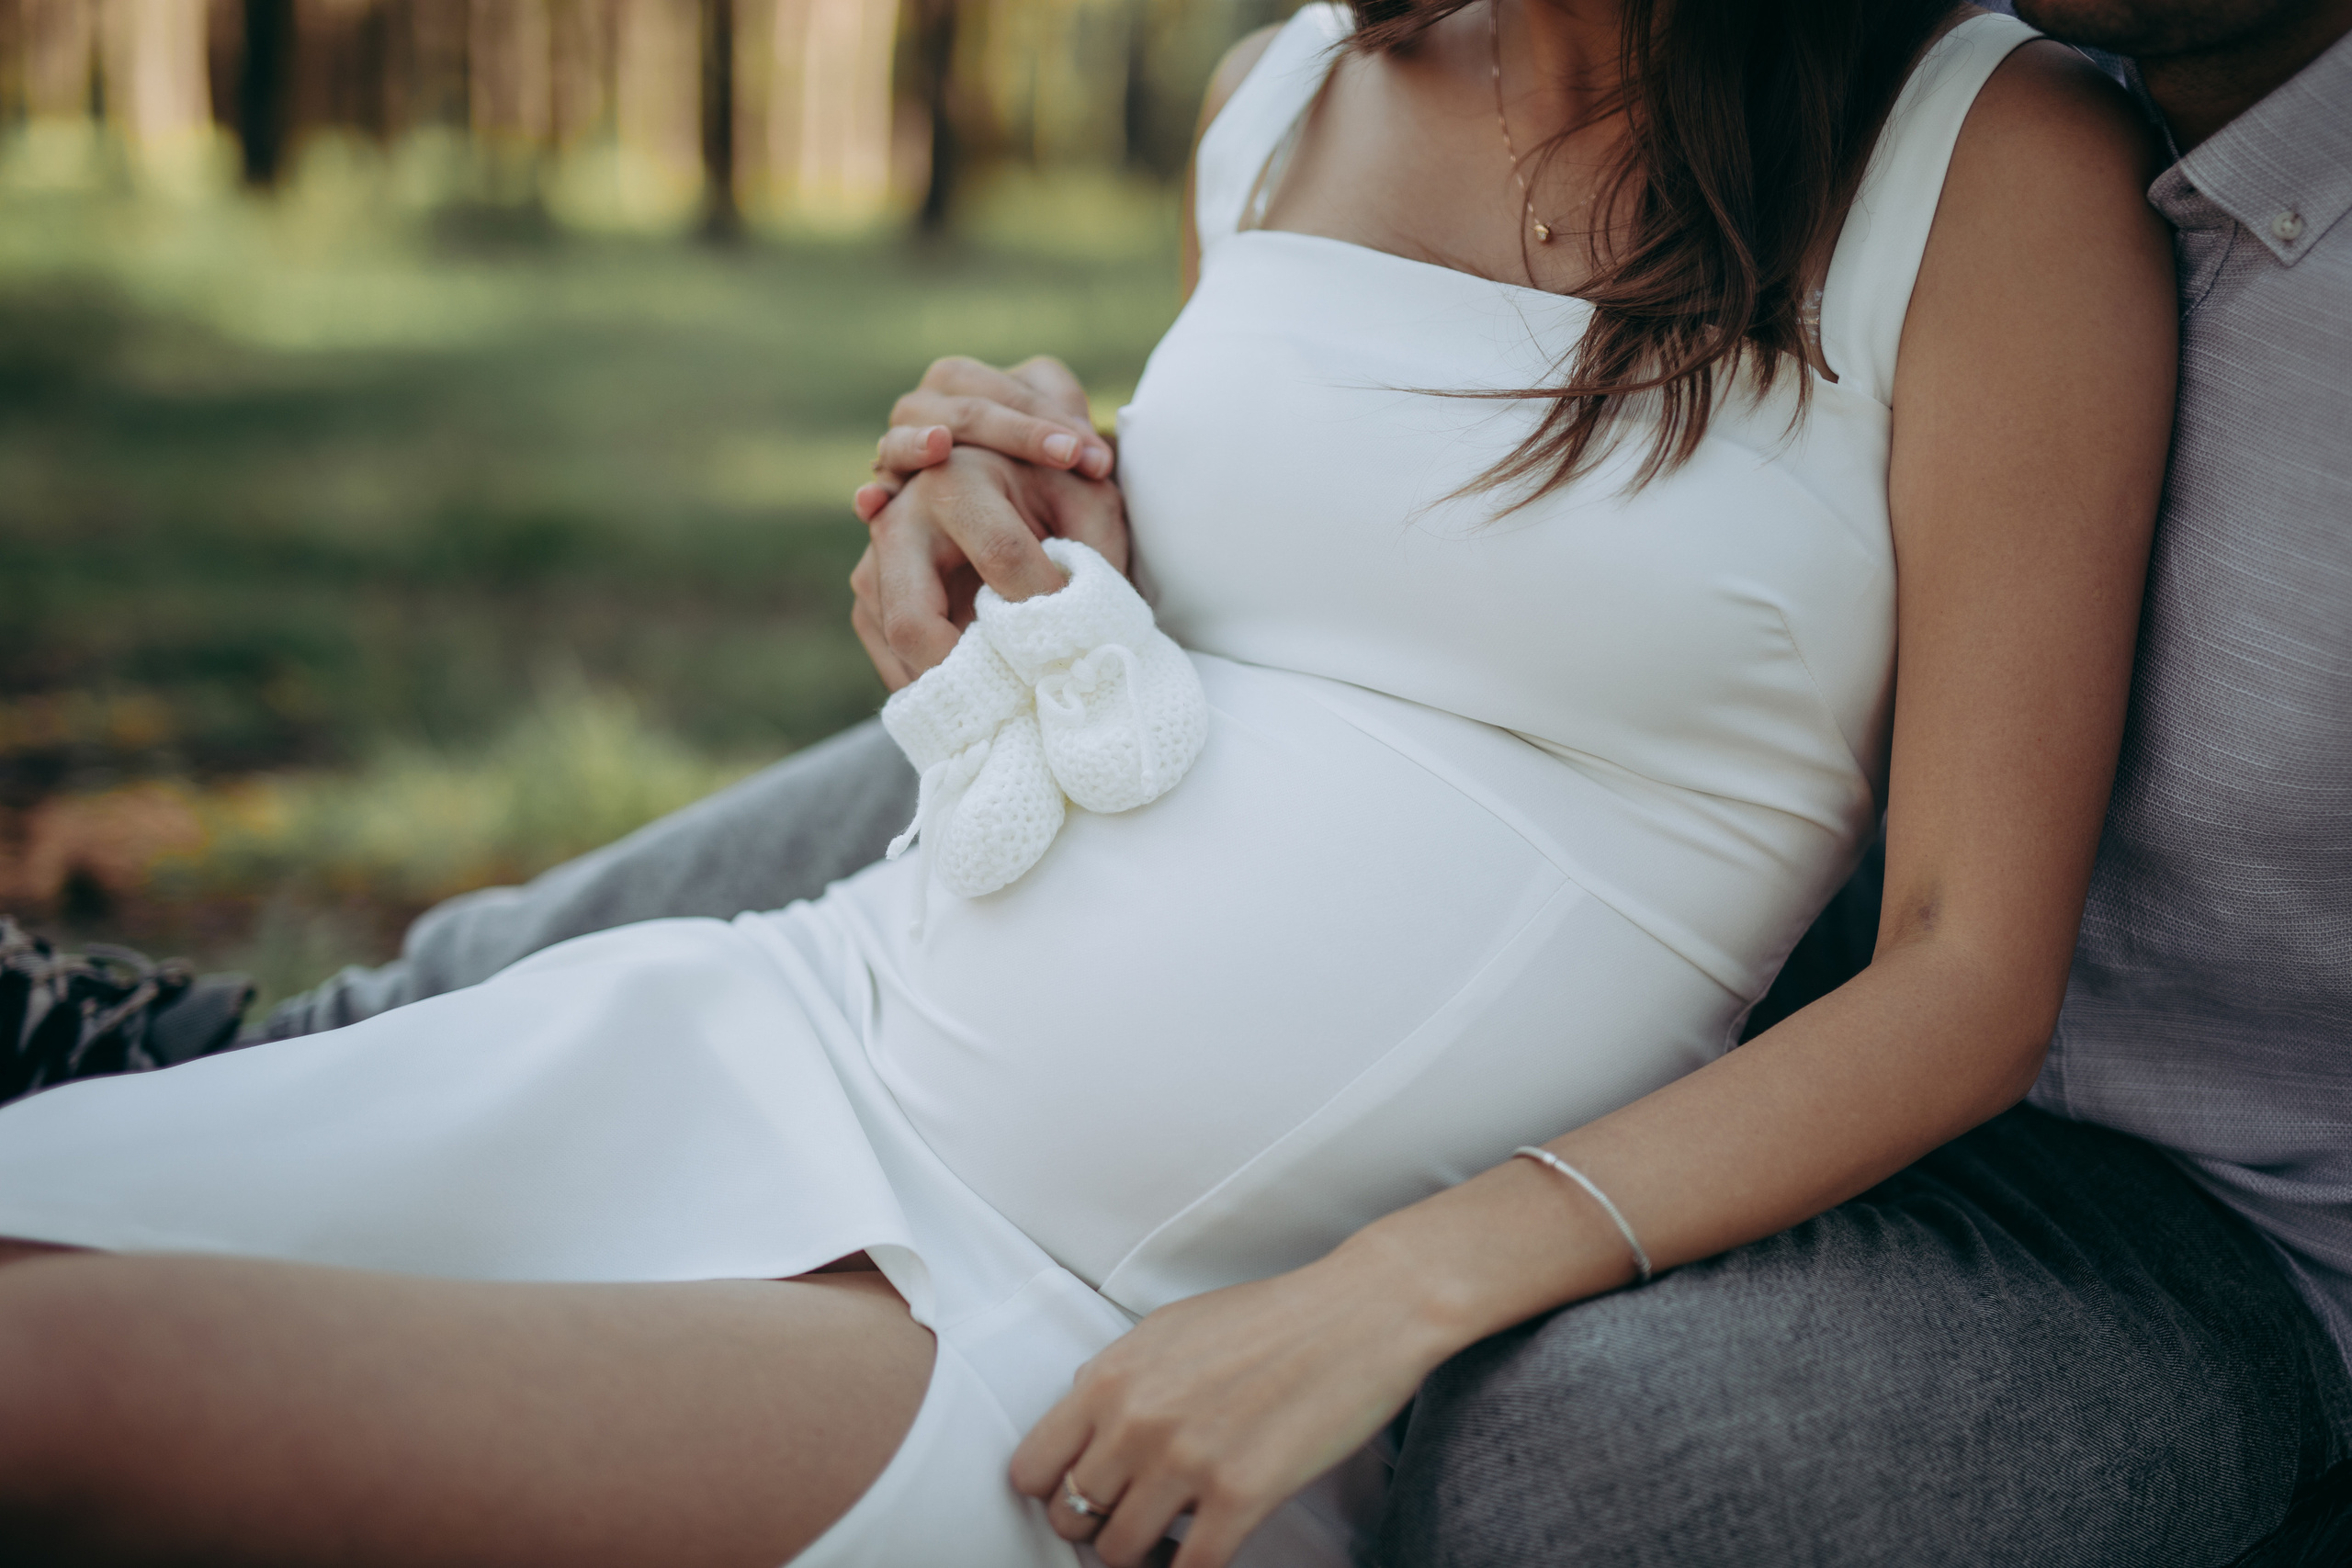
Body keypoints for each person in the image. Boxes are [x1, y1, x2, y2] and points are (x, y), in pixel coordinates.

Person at [0, 5, 2183, 1566]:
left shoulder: (1986, 161)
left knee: (63, 1401)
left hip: (1086, 1326)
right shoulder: (1278, 96)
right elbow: (1282, 627)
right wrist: (1014, 517)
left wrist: (1398, 1288)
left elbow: (1964, 970)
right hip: (797, 1024)